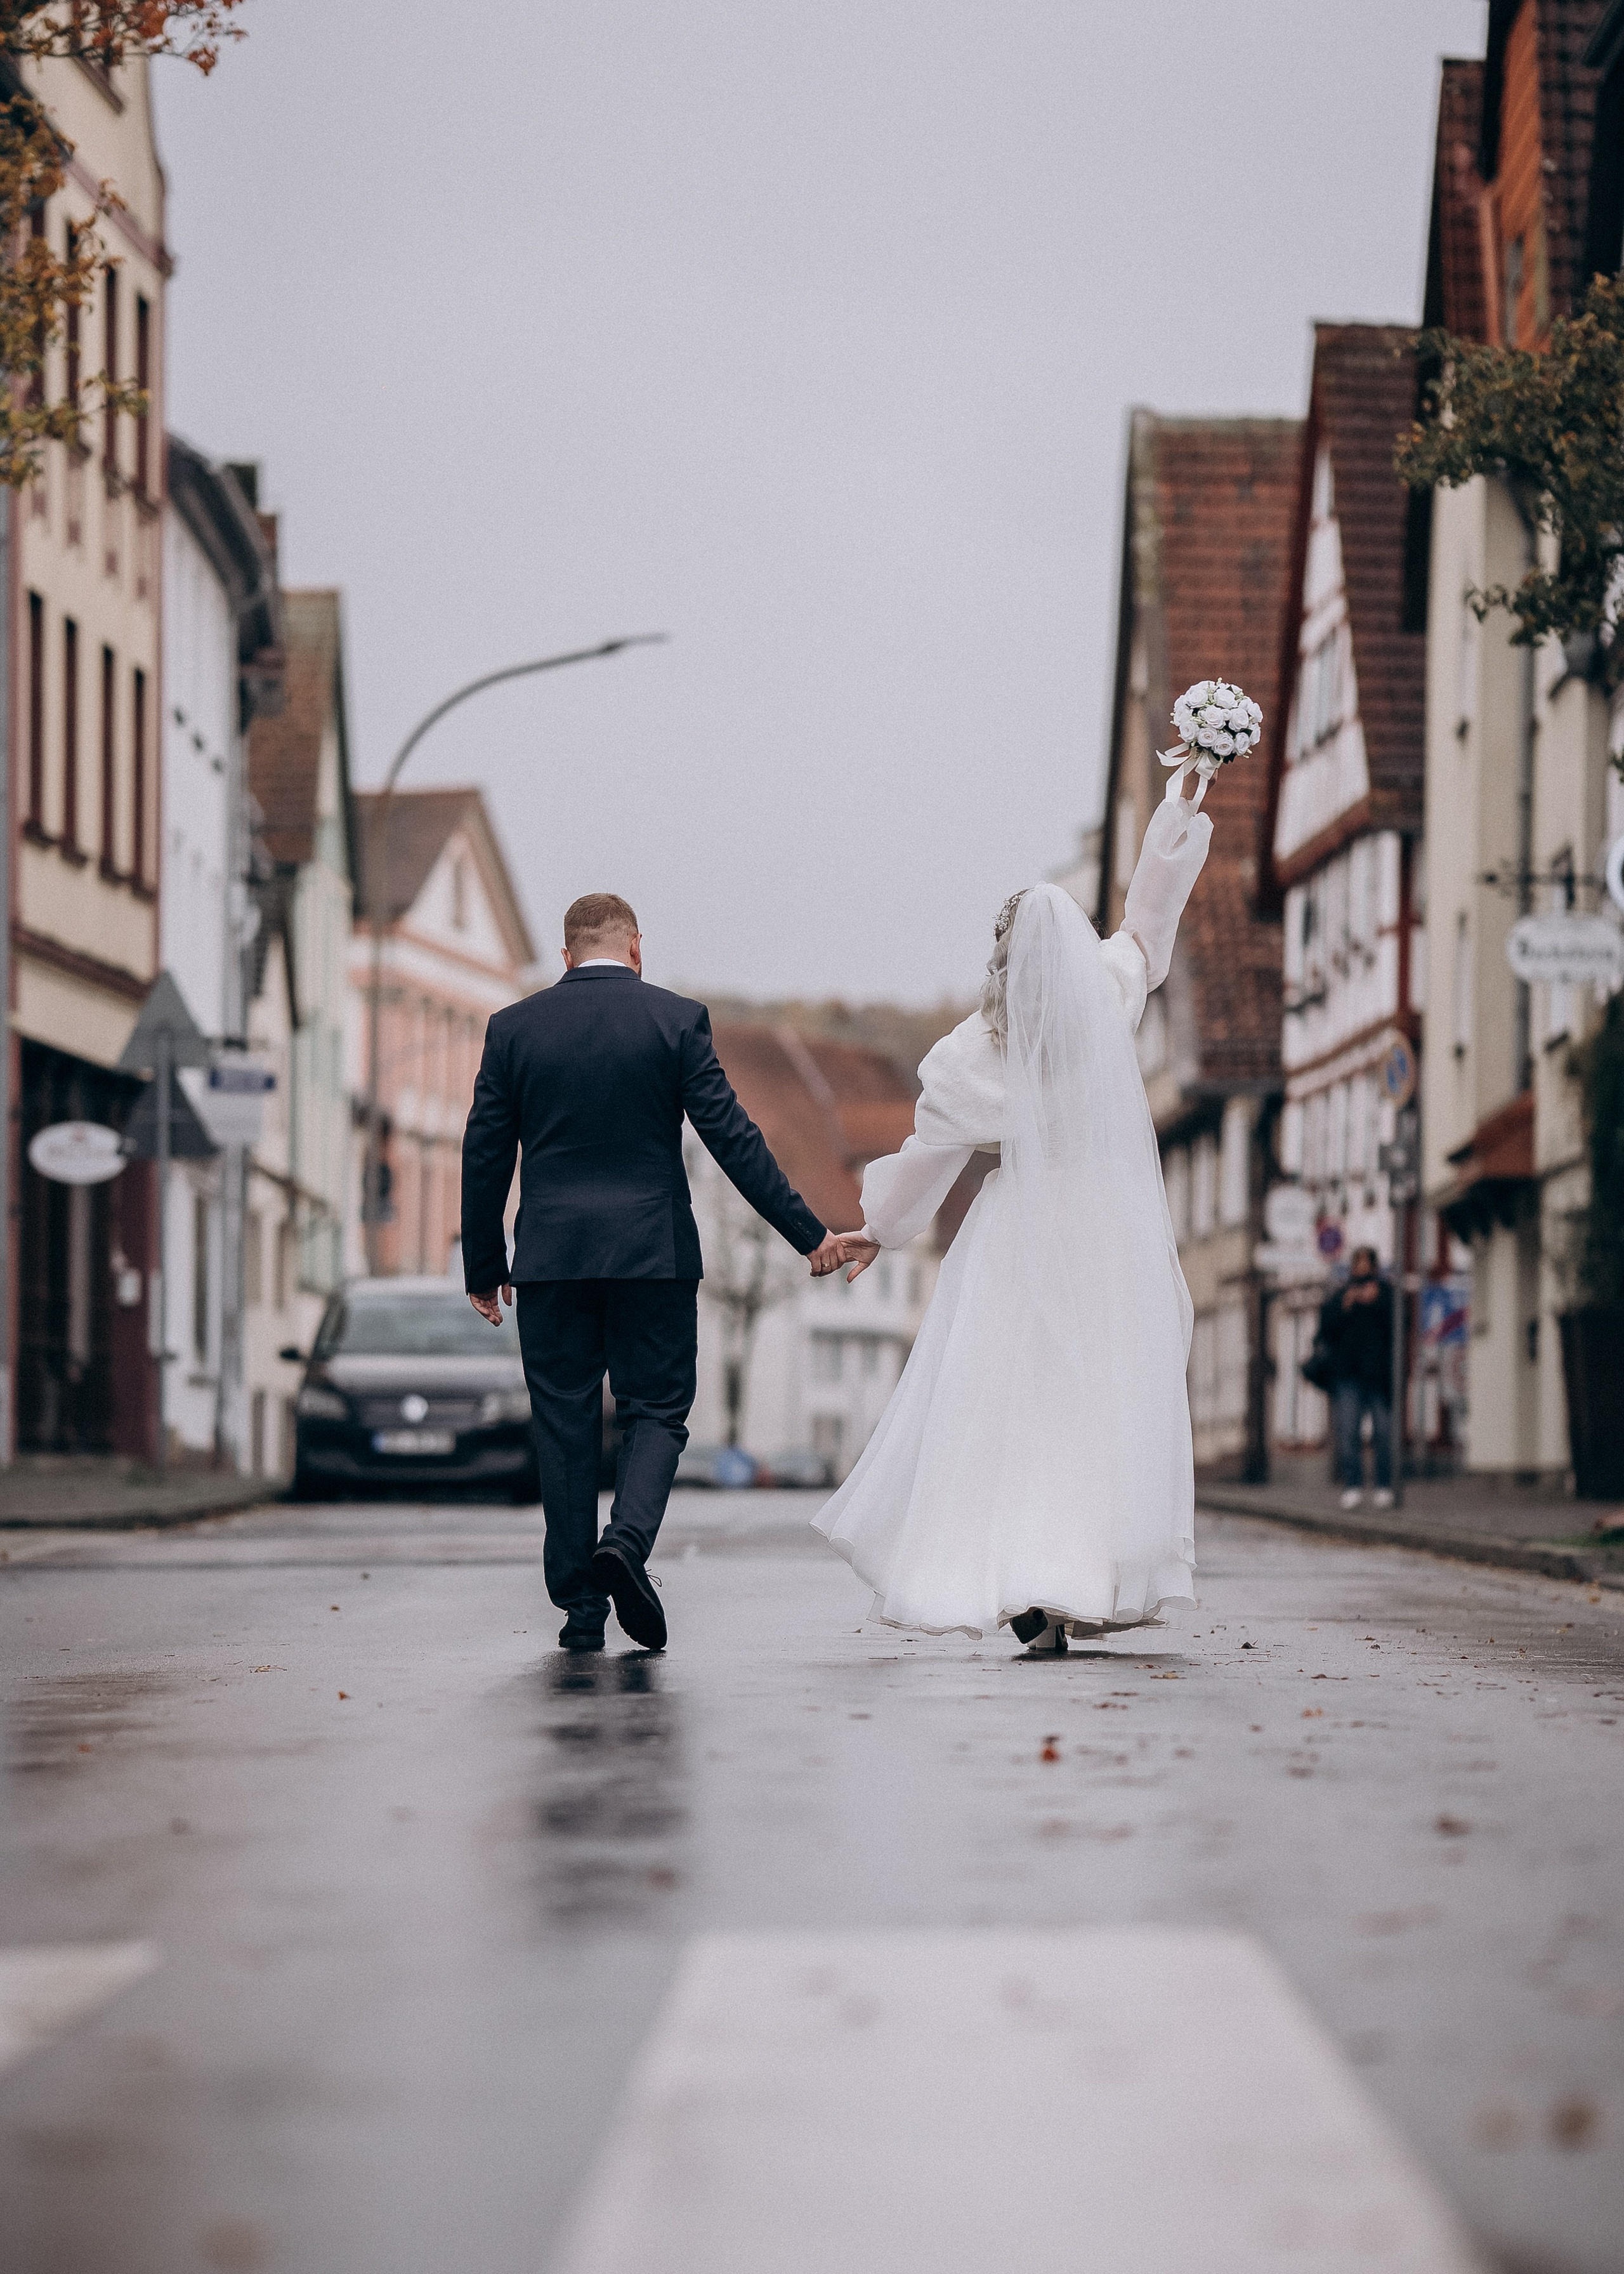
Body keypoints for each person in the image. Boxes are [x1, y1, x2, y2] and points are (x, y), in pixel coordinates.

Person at [815, 777, 1212, 1653]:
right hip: (1106, 1229)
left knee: (1014, 1407)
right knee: (1096, 1403)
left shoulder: (970, 1057)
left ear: (999, 957)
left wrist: (878, 1230)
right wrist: (1179, 822)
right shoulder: (1106, 1000)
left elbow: (930, 1158)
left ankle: (1025, 1576)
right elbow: (1146, 934)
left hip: (1021, 1229)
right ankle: (1079, 1572)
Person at [460, 892, 847, 1654]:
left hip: (552, 1260)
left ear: (565, 953)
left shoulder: (514, 1029)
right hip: (651, 1255)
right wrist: (809, 1234)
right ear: (637, 946)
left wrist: (485, 1265)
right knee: (657, 1408)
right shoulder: (674, 1021)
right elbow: (733, 1138)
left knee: (565, 1424)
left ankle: (579, 1609)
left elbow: (483, 1150)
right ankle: (626, 1543)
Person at [1318, 1245, 1395, 1511]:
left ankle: (1384, 1486)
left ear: (1374, 1267)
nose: (1361, 1270)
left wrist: (1378, 1301)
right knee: (1349, 1432)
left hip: (1378, 1377)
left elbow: (1399, 1327)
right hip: (1348, 1376)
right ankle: (1353, 1486)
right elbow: (1325, 1330)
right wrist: (1345, 1305)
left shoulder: (1386, 1294)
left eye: (1366, 1264)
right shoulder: (1341, 1295)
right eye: (1357, 1264)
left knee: (1383, 1433)